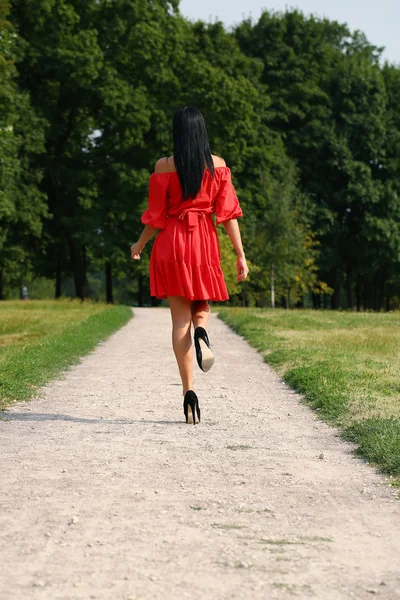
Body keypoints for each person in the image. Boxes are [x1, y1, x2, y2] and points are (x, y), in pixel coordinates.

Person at [130, 106, 249, 424]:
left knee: (178, 321)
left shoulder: (163, 166)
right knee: (202, 304)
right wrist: (240, 254)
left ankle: (188, 393)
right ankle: (202, 332)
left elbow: (155, 217)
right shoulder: (219, 166)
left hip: (171, 241)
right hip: (204, 241)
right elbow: (228, 215)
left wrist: (139, 245)